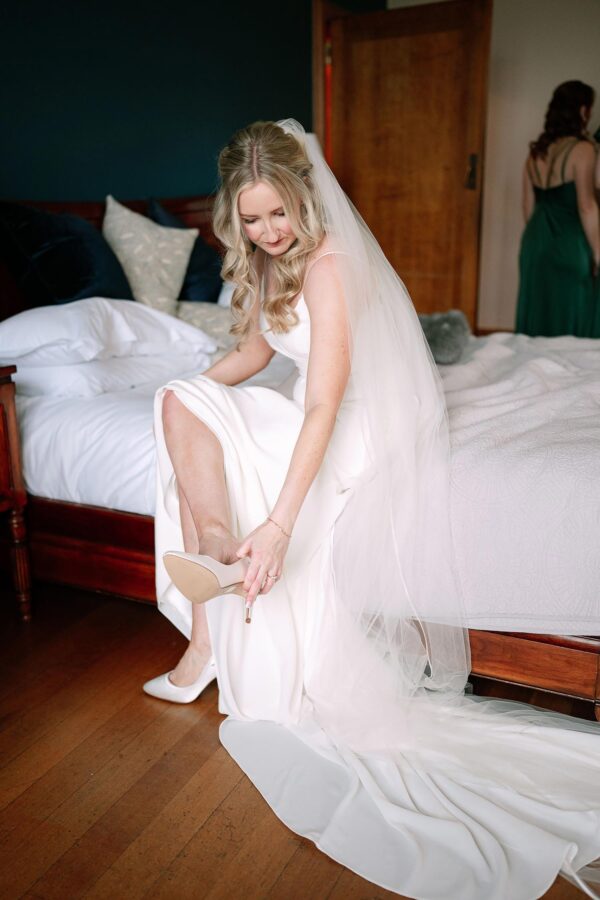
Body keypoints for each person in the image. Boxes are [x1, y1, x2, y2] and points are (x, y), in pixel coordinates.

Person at [145, 120, 600, 899]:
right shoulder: (265, 260)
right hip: (311, 415)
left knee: (208, 425)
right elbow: (256, 355)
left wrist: (283, 522)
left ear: (303, 193)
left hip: (350, 433)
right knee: (178, 400)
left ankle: (209, 631)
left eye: (278, 214)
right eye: (250, 220)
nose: (267, 232)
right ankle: (218, 555)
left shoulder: (328, 264)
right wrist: (182, 397)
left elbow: (322, 402)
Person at [516, 80, 600, 337]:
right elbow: (587, 206)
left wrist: (540, 241)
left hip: (534, 241)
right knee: (575, 309)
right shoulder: (583, 150)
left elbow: (528, 207)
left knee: (538, 313)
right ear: (583, 110)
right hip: (569, 242)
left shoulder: (535, 153)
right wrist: (598, 251)